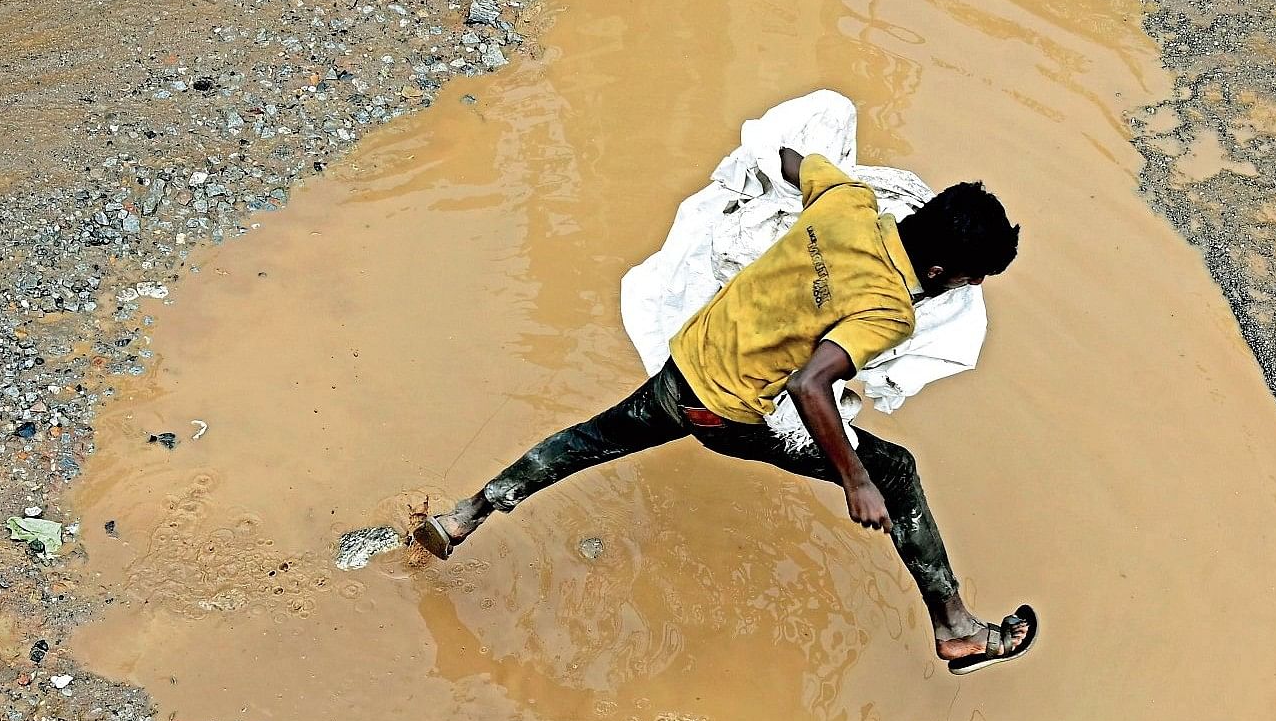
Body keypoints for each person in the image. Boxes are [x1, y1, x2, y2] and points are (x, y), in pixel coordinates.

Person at [415, 147, 1036, 674]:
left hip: (687, 362)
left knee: (583, 442)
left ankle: (463, 516)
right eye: (968, 279)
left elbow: (791, 160)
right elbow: (810, 385)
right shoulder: (890, 309)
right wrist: (857, 481)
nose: (969, 289)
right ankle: (955, 628)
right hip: (726, 412)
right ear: (935, 270)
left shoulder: (848, 204)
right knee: (896, 470)